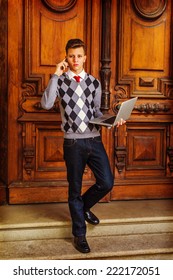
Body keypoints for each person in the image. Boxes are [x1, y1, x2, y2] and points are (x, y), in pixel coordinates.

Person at [41, 38, 125, 254]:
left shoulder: (94, 83)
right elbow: (47, 103)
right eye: (71, 56)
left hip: (94, 139)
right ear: (66, 58)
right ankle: (79, 235)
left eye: (79, 56)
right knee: (74, 190)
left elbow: (95, 112)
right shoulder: (59, 81)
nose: (75, 59)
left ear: (85, 58)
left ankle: (84, 208)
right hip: (73, 143)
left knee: (106, 182)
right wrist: (55, 74)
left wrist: (112, 120)